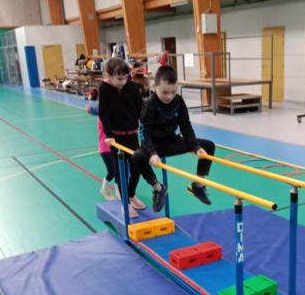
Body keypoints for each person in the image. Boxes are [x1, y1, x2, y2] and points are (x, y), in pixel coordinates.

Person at [129, 65, 215, 212]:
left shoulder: (178, 101)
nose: (169, 96)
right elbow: (144, 132)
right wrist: (152, 153)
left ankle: (198, 184)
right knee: (137, 156)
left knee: (208, 146)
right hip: (155, 146)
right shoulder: (150, 105)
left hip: (173, 141)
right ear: (154, 87)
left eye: (173, 92)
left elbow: (185, 126)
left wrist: (195, 147)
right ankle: (157, 187)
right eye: (165, 92)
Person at [98, 57, 145, 217]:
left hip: (132, 135)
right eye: (119, 78)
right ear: (109, 75)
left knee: (137, 168)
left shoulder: (131, 87)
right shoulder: (105, 89)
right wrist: (109, 135)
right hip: (116, 139)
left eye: (126, 77)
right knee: (120, 173)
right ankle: (125, 203)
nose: (123, 81)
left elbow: (141, 109)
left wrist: (147, 127)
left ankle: (131, 195)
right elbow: (104, 114)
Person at [85, 88, 118, 201]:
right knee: (112, 172)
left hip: (113, 147)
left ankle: (118, 191)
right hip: (105, 148)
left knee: (118, 171)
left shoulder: (107, 114)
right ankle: (104, 189)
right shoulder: (103, 117)